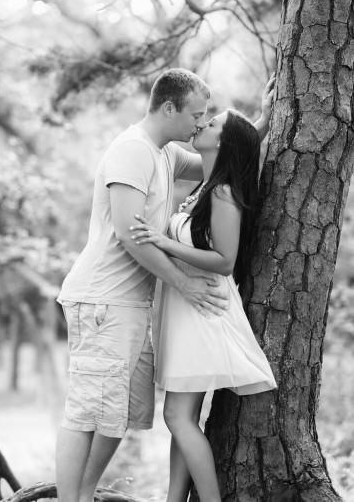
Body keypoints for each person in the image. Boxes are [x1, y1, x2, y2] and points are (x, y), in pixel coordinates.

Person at [52, 68, 230, 502]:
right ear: (168, 107)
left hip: (131, 304)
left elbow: (219, 154)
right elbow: (132, 236)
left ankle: (85, 494)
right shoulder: (132, 151)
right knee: (86, 413)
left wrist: (260, 121)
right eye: (195, 115)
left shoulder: (165, 152)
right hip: (102, 300)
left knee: (119, 414)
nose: (200, 124)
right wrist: (183, 283)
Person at [128, 87, 277, 502]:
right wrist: (262, 121)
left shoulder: (225, 192)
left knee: (176, 415)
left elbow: (225, 260)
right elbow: (242, 141)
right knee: (183, 416)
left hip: (202, 311)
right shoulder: (205, 185)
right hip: (184, 309)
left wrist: (164, 242)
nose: (202, 123)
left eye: (211, 123)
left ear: (221, 141)